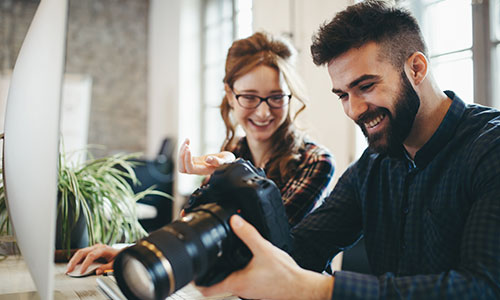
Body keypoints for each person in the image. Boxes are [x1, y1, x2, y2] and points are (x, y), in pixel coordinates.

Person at [198, 1, 500, 299]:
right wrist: (233, 185)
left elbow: (483, 287)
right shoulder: (373, 165)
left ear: (417, 68)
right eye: (343, 94)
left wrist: (316, 289)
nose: (354, 110)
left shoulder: (490, 148)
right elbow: (299, 249)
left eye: (366, 86)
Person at [66, 32, 335, 276]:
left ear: (291, 97)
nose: (263, 112)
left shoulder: (316, 161)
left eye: (276, 97)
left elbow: (267, 241)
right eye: (250, 97)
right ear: (230, 95)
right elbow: (196, 225)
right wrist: (140, 250)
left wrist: (233, 172)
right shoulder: (233, 151)